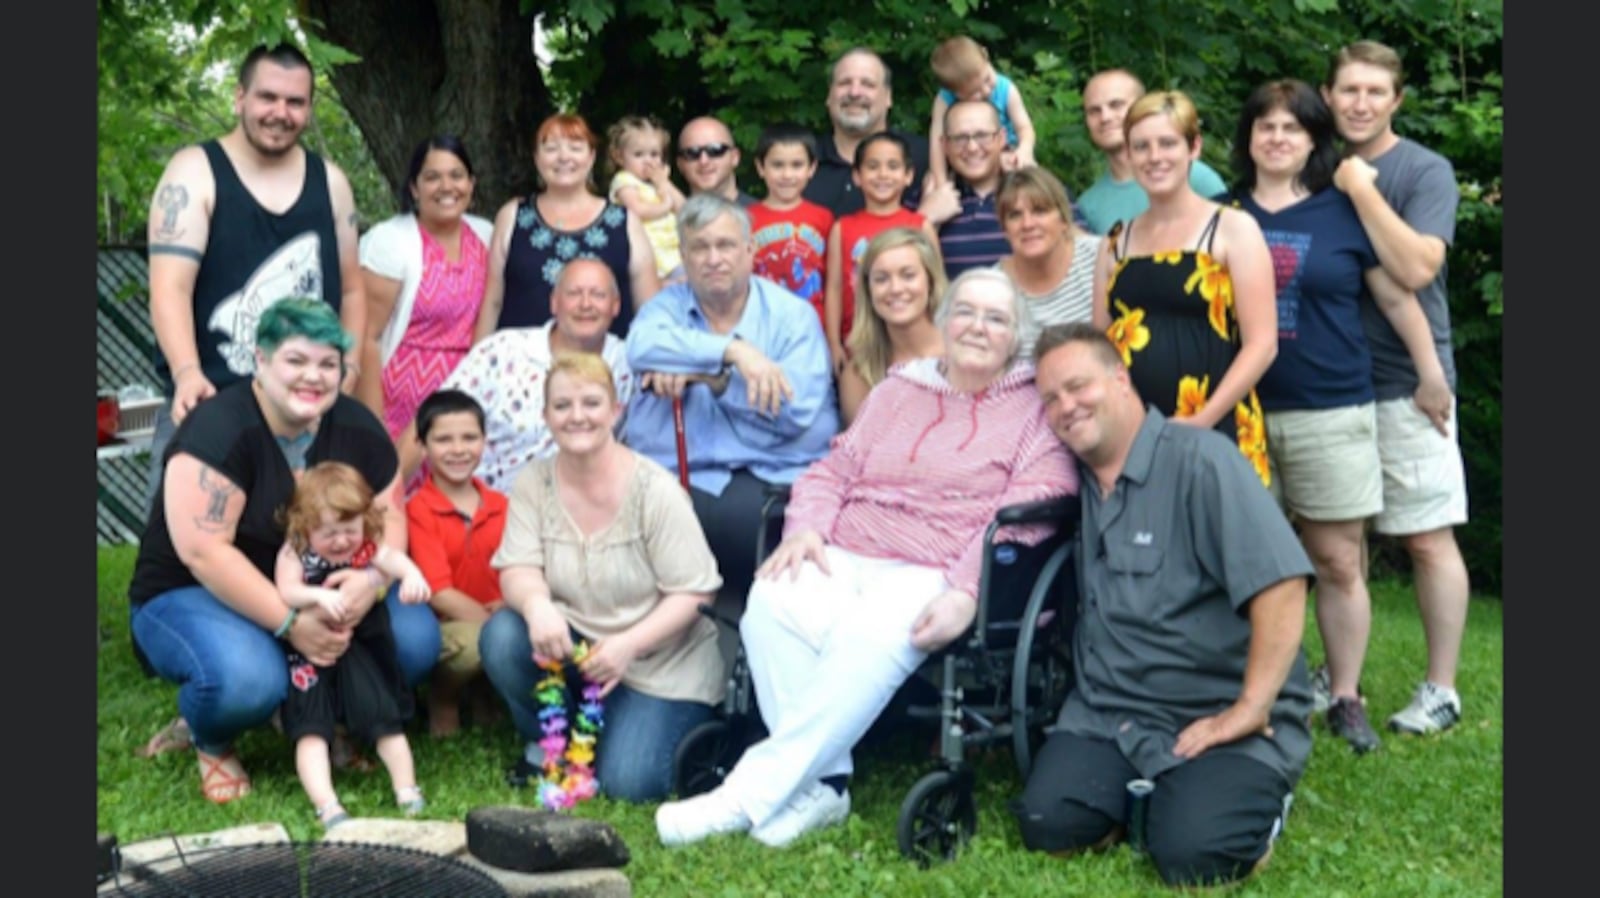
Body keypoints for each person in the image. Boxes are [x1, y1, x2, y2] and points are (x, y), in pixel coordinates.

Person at [654, 267, 1079, 849]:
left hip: (941, 564)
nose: (979, 327)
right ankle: (822, 787)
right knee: (772, 605)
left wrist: (967, 590)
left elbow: (1038, 503)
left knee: (866, 633)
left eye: (997, 318)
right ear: (945, 320)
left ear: (1016, 336)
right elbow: (836, 467)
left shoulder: (1031, 406)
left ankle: (743, 796)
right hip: (846, 548)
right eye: (967, 312)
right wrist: (804, 530)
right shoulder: (902, 385)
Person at [1019, 322, 1314, 888]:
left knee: (1196, 856)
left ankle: (1245, 799)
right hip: (1109, 713)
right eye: (1051, 398)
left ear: (1121, 379)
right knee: (1047, 823)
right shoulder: (1066, 480)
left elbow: (1282, 584)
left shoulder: (1201, 462)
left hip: (1212, 706)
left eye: (1078, 386)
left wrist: (1251, 707)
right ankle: (1153, 799)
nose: (1066, 407)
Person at [127, 299, 442, 803]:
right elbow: (204, 553)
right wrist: (293, 625)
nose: (312, 377)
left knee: (415, 638)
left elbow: (389, 517)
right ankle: (209, 736)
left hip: (322, 589)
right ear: (261, 360)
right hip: (194, 594)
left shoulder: (357, 428)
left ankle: (330, 714)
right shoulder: (217, 429)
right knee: (245, 679)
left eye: (327, 364)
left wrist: (371, 583)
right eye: (296, 361)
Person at [1231, 79, 1454, 753]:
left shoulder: (1344, 212)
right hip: (1244, 415)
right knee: (1248, 565)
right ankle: (1255, 688)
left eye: (1291, 129)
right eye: (1264, 127)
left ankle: (1345, 695)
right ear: (1247, 139)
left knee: (1335, 561)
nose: (1276, 138)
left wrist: (1431, 374)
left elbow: (1395, 299)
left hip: (1332, 408)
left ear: (1312, 140)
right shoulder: (1221, 212)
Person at [480, 353, 727, 802]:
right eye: (562, 406)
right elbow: (517, 566)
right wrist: (537, 607)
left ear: (616, 411)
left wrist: (629, 645)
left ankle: (611, 735)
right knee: (502, 634)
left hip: (657, 664)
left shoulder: (654, 491)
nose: (577, 417)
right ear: (546, 416)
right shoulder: (535, 482)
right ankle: (554, 738)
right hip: (575, 650)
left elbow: (697, 592)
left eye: (591, 404)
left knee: (630, 784)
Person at [143, 42, 365, 508]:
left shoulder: (331, 183)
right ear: (239, 97)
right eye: (268, 97)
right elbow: (170, 287)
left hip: (306, 410)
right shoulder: (194, 173)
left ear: (308, 108)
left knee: (316, 554)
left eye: (295, 102)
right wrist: (186, 373)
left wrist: (352, 366)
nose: (280, 112)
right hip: (211, 404)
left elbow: (352, 288)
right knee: (183, 556)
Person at [1322, 40, 1471, 736]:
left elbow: (1414, 269)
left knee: (1426, 539)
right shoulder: (1313, 164)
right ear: (1328, 96)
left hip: (1410, 383)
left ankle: (1441, 688)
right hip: (1329, 381)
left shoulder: (1423, 170)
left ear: (1397, 100)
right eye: (1349, 90)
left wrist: (1361, 189)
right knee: (1334, 543)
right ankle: (1336, 674)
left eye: (1375, 92)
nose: (1360, 103)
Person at [624, 193, 838, 618]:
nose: (713, 258)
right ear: (683, 256)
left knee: (747, 545)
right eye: (699, 248)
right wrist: (734, 353)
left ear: (749, 250)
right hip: (673, 476)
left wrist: (713, 380)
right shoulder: (664, 309)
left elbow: (796, 411)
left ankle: (745, 653)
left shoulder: (791, 316)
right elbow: (642, 346)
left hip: (766, 474)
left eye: (724, 245)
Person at [1091, 90, 1277, 486]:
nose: (1154, 156)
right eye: (1141, 146)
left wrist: (1202, 420)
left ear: (1194, 147)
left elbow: (1262, 344)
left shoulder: (1232, 228)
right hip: (1135, 433)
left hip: (1216, 423)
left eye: (1167, 143)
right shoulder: (1115, 242)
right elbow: (1098, 346)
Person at [275, 461, 433, 828]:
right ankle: (327, 804)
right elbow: (287, 589)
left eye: (349, 529)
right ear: (304, 525)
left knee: (384, 716)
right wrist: (315, 595)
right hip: (310, 651)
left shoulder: (364, 547)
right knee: (310, 725)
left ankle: (407, 789)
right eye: (328, 533)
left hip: (362, 645)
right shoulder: (295, 551)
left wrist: (412, 576)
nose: (342, 541)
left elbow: (392, 559)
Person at [394, 258, 634, 493]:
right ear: (554, 303)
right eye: (574, 293)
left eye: (598, 295)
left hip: (573, 519)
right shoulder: (503, 350)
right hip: (483, 513)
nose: (585, 304)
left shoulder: (629, 364)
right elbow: (430, 420)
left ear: (616, 305)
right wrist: (387, 505)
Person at [474, 113, 661, 341]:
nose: (563, 157)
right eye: (551, 148)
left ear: (591, 157)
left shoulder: (625, 222)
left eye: (575, 147)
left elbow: (651, 309)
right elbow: (493, 302)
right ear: (536, 158)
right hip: (521, 370)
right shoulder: (512, 217)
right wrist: (477, 363)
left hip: (605, 369)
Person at [356, 134, 493, 439]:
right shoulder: (390, 242)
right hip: (398, 414)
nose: (446, 187)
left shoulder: (487, 235)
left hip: (467, 402)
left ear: (471, 184)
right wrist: (371, 423)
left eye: (456, 176)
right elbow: (368, 336)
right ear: (415, 188)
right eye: (432, 177)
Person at [405, 389, 510, 737]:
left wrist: (509, 607)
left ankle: (484, 691)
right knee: (472, 647)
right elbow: (439, 593)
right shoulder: (418, 510)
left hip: (498, 612)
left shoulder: (503, 505)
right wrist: (497, 623)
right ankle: (444, 697)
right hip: (446, 628)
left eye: (469, 437)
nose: (459, 449)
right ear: (422, 447)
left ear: (485, 441)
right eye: (443, 439)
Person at [823, 132, 934, 372]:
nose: (883, 174)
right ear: (857, 176)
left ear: (908, 175)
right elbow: (833, 288)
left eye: (893, 166)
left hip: (912, 344)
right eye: (873, 167)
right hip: (858, 344)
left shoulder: (921, 226)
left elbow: (937, 286)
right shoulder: (842, 228)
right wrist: (833, 343)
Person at [1076, 68, 1230, 235]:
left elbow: (1231, 237)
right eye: (1094, 111)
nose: (1105, 117)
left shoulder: (1194, 176)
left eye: (1116, 105)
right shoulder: (1089, 204)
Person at [802, 48, 930, 217]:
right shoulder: (800, 161)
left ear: (888, 97)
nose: (854, 92)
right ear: (829, 95)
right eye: (845, 83)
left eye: (867, 84)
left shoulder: (923, 157)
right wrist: (926, 216)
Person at [838, 227, 947, 426]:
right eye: (882, 279)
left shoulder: (963, 353)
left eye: (908, 275)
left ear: (930, 281)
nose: (895, 289)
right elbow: (859, 454)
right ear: (868, 290)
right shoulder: (858, 374)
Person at [994, 166, 1102, 359]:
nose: (1027, 224)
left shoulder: (1100, 258)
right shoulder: (993, 288)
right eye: (1015, 215)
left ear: (1064, 219)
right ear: (1004, 229)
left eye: (1040, 211)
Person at [748, 123, 834, 329]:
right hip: (762, 326)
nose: (787, 175)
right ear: (761, 168)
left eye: (797, 165)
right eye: (777, 165)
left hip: (812, 326)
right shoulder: (745, 218)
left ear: (811, 169)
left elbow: (834, 284)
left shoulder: (824, 218)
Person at [919, 100, 1012, 278]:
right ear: (944, 145)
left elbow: (1076, 255)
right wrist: (924, 219)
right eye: (960, 138)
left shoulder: (1039, 194)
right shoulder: (926, 198)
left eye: (982, 135)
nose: (972, 147)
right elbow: (892, 269)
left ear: (1001, 139)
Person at [927, 36, 1037, 182]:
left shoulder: (1006, 89)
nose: (986, 91)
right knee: (930, 182)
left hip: (1009, 149)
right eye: (974, 92)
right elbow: (937, 141)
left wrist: (1024, 150)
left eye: (987, 79)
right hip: (966, 156)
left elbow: (1024, 128)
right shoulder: (944, 100)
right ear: (955, 92)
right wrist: (940, 183)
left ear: (986, 56)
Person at [606, 115, 686, 280]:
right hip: (651, 256)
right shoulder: (624, 181)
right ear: (619, 157)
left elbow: (686, 211)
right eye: (639, 154)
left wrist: (664, 183)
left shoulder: (656, 184)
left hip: (672, 253)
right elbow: (637, 210)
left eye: (654, 154)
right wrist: (665, 205)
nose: (648, 161)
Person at [676, 116, 757, 207]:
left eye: (715, 150)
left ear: (735, 157)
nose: (704, 161)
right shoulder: (667, 219)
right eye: (692, 153)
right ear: (680, 164)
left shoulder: (763, 218)